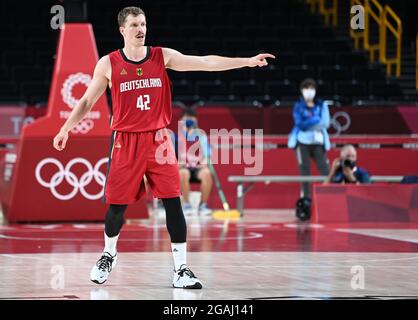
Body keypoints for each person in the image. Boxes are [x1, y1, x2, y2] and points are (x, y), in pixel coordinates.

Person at [52, 6, 275, 289]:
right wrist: (65, 128)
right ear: (122, 30)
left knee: (173, 203)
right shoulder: (108, 64)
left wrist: (246, 61)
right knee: (116, 209)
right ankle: (109, 253)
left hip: (159, 140)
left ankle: (181, 269)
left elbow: (205, 62)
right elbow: (85, 102)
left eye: (143, 23)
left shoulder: (162, 56)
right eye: (134, 24)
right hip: (126, 140)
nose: (140, 29)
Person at [288, 78, 331, 200]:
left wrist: (308, 123)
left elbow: (325, 123)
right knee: (304, 171)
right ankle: (306, 198)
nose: (309, 91)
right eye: (306, 88)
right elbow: (299, 124)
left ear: (315, 90)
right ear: (302, 91)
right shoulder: (298, 107)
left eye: (311, 88)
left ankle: (332, 194)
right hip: (302, 143)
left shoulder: (322, 105)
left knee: (325, 169)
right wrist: (316, 120)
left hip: (318, 142)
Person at [172, 109, 213, 216]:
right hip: (182, 169)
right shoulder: (175, 138)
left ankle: (203, 205)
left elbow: (207, 157)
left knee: (207, 173)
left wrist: (204, 163)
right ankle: (186, 205)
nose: (190, 123)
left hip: (197, 168)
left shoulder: (201, 137)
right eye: (187, 121)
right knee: (183, 174)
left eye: (192, 121)